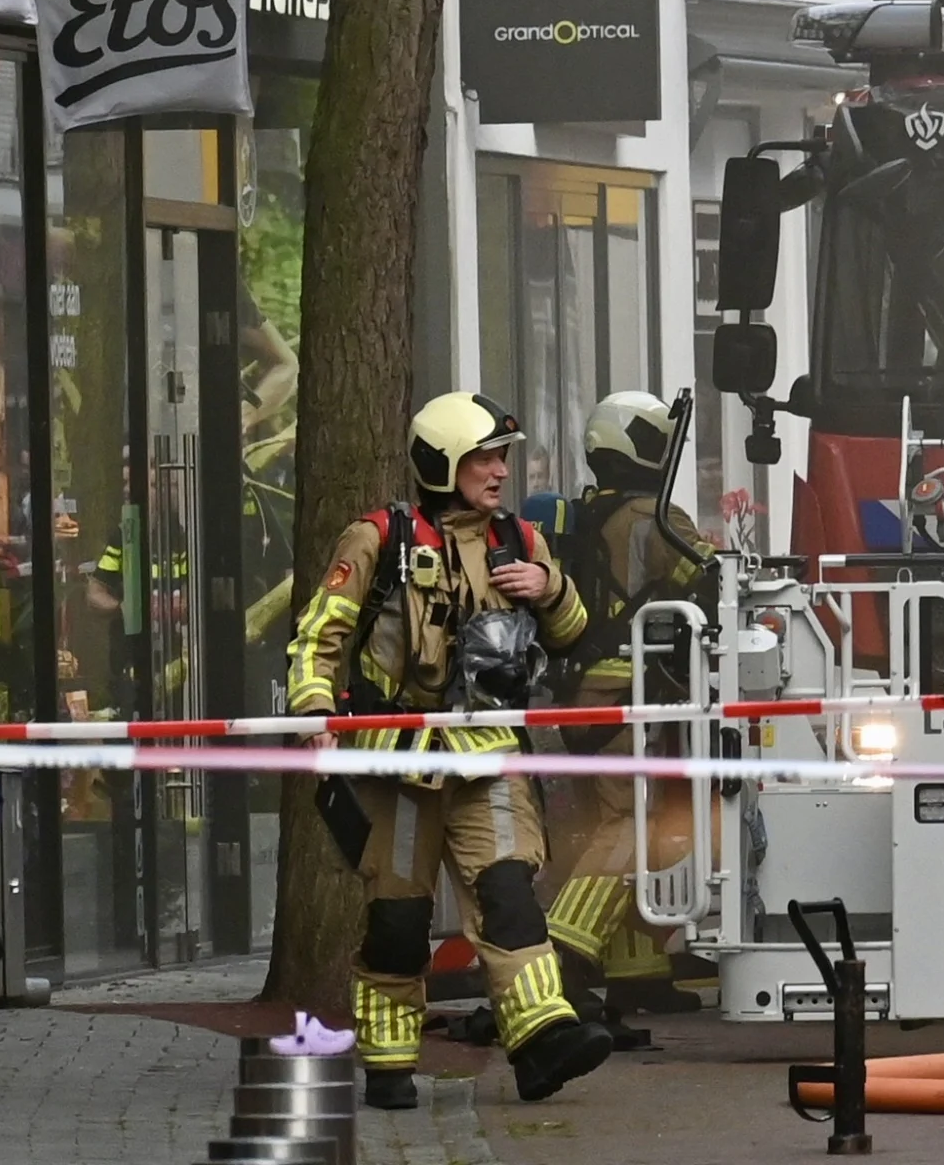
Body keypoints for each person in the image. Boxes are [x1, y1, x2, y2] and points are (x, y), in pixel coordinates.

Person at [286, 392, 617, 1110]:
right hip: (399, 763)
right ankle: (389, 1062)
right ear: (442, 466)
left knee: (508, 894)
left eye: (502, 457)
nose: (499, 471)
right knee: (399, 920)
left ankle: (540, 1041)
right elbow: (320, 636)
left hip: (488, 754)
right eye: (483, 459)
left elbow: (573, 634)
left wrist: (551, 588)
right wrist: (313, 708)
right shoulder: (376, 539)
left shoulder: (522, 542)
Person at [543, 392, 720, 1040]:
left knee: (612, 819)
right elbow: (708, 574)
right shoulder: (653, 515)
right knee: (632, 820)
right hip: (627, 695)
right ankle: (565, 949)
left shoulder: (588, 516)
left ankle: (637, 966)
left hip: (581, 695)